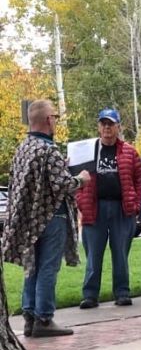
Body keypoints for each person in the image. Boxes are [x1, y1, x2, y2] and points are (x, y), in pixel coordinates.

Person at [1, 100, 89, 337]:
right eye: (55, 117)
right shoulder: (48, 149)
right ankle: (44, 318)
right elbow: (63, 185)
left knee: (32, 268)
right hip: (51, 215)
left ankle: (29, 316)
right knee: (48, 268)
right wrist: (81, 178)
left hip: (29, 220)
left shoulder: (24, 148)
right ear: (48, 120)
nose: (56, 122)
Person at [76, 108, 141, 308]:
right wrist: (80, 201)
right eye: (103, 123)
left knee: (121, 253)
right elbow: (75, 178)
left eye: (111, 124)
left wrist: (137, 203)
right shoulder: (87, 151)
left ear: (118, 127)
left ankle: (122, 292)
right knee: (93, 255)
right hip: (94, 208)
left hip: (122, 209)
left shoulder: (129, 152)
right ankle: (90, 295)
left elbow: (139, 180)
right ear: (98, 127)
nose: (107, 127)